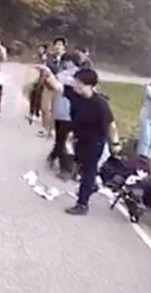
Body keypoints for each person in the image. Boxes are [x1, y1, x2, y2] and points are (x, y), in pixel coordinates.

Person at [39, 66, 121, 215]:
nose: (75, 84)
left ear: (89, 85)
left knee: (88, 172)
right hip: (80, 139)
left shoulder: (100, 104)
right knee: (83, 168)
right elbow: (57, 86)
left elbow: (111, 126)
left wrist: (115, 144)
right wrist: (47, 72)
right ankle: (92, 186)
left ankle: (82, 204)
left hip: (95, 142)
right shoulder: (74, 94)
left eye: (78, 82)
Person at [47, 51, 84, 180]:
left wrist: (50, 75)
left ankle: (67, 169)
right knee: (61, 138)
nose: (64, 64)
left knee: (65, 140)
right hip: (61, 112)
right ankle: (54, 156)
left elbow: (60, 82)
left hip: (69, 113)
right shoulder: (64, 74)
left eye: (66, 61)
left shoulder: (77, 76)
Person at [38, 36, 67, 138]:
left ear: (64, 47)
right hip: (48, 85)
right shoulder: (49, 58)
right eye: (56, 45)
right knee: (45, 108)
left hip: (60, 87)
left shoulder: (67, 59)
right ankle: (45, 128)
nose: (58, 47)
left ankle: (53, 129)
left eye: (60, 45)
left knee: (56, 109)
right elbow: (48, 68)